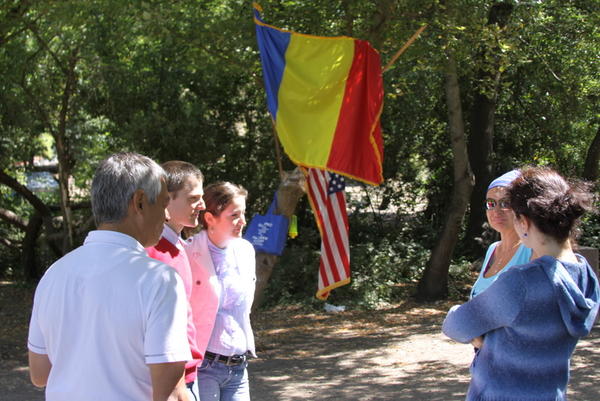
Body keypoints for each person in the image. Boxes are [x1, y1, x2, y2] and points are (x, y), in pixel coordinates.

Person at [27, 152, 192, 401]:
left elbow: (39, 374)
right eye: (163, 202)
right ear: (139, 202)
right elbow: (171, 394)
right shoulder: (159, 279)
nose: (167, 216)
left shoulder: (54, 274)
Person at [443, 166, 600, 401]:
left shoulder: (520, 282)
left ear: (523, 222)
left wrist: (474, 329)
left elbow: (455, 324)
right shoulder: (585, 275)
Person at [185, 182, 256, 401]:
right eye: (234, 215)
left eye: (243, 213)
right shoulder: (187, 252)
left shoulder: (245, 250)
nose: (242, 221)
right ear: (209, 218)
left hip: (238, 367)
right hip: (204, 366)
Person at [147, 160, 206, 400]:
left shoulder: (177, 246)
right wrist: (179, 388)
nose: (202, 205)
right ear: (165, 200)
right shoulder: (156, 253)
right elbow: (164, 328)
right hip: (176, 382)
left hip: (189, 375)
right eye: (193, 198)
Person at [470, 170, 533, 298]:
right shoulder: (493, 249)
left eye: (506, 203)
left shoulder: (531, 250)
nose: (496, 211)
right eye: (491, 203)